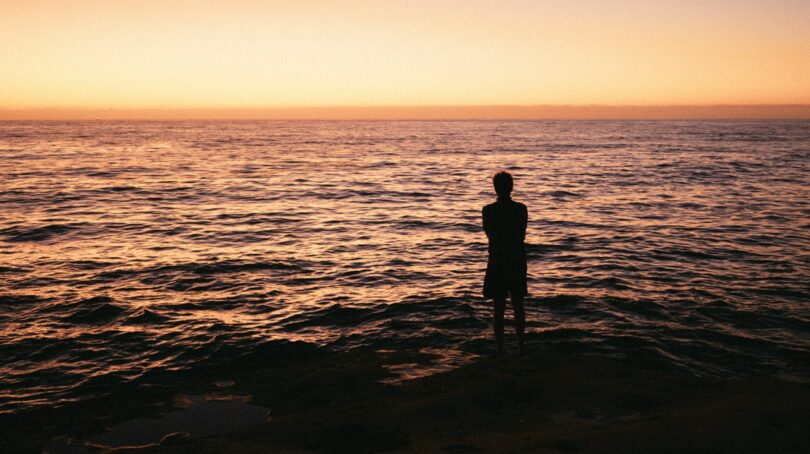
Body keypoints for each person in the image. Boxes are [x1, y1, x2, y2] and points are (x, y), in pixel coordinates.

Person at [482, 171, 527, 356]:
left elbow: (489, 234)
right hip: (516, 259)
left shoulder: (488, 210)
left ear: (495, 188)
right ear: (511, 187)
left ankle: (500, 349)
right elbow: (521, 234)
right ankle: (520, 347)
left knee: (498, 306)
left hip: (497, 261)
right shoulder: (520, 209)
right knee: (518, 304)